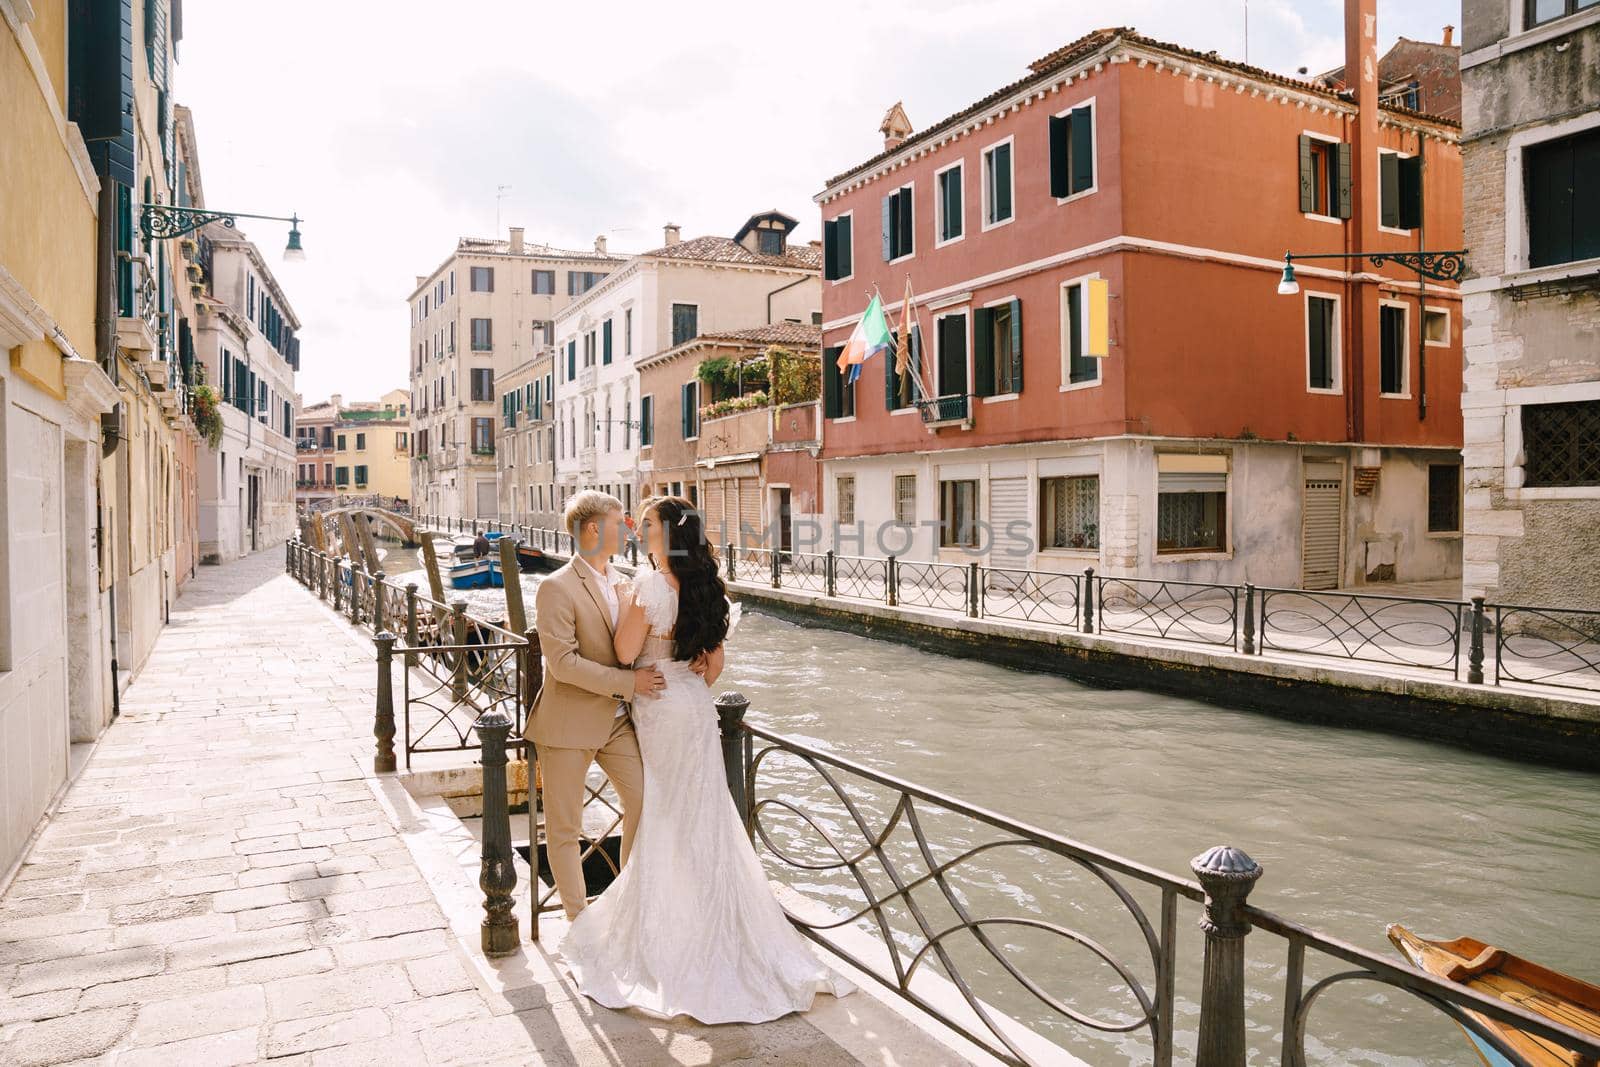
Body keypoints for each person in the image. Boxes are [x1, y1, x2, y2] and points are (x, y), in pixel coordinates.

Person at [560, 495, 854, 1024]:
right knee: (704, 816)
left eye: (645, 523)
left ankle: (669, 937)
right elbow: (712, 671)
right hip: (695, 707)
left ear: (665, 533)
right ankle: (716, 926)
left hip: (658, 705)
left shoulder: (646, 587)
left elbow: (627, 655)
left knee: (666, 816)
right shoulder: (708, 589)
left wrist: (630, 608)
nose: (637, 528)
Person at [528, 491, 659, 922]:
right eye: (619, 521)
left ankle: (630, 904)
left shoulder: (624, 579)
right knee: (565, 829)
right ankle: (577, 919)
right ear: (592, 529)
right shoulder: (555, 587)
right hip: (567, 724)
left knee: (644, 799)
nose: (627, 529)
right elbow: (562, 664)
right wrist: (630, 684)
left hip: (617, 721)